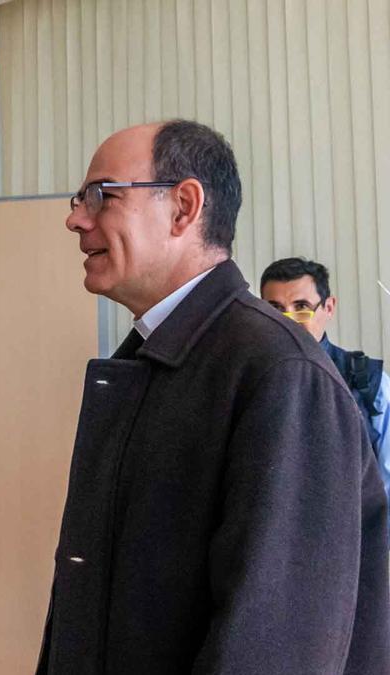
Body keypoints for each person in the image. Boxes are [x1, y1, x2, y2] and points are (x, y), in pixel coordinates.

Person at [39, 119, 389, 673]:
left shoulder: (279, 372)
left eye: (101, 196)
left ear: (183, 207)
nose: (76, 218)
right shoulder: (155, 357)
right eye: (81, 199)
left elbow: (277, 645)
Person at [260, 257, 390, 498]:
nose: (289, 320)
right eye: (275, 309)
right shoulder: (244, 378)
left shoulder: (369, 382)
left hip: (351, 530)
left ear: (328, 307)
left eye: (301, 307)